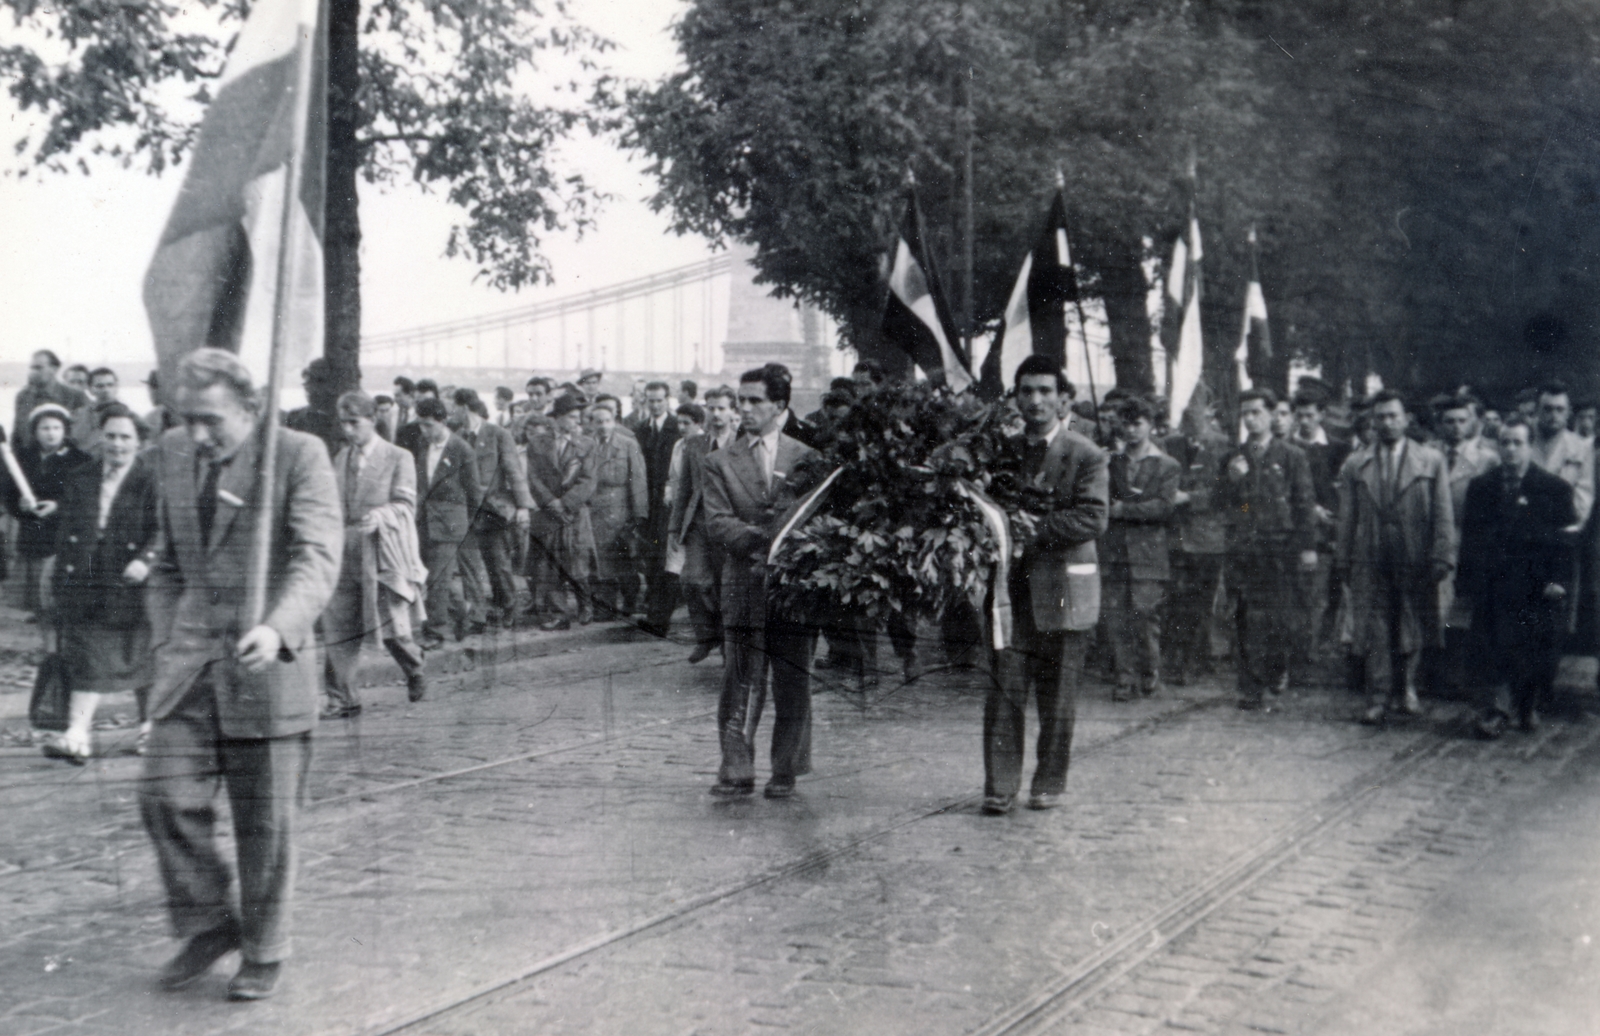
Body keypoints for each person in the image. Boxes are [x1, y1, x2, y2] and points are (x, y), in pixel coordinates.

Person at [138, 348, 341, 1001]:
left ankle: (263, 946)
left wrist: (279, 626)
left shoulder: (299, 454)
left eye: (211, 420)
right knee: (163, 795)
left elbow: (317, 557)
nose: (196, 435)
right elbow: (168, 564)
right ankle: (207, 923)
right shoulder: (169, 451)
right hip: (190, 667)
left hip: (268, 667)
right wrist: (171, 635)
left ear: (252, 408)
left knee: (266, 825)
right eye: (185, 418)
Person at [981, 355, 1108, 815]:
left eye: (1045, 391)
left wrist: (1028, 528)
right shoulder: (1000, 453)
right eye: (1026, 391)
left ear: (1063, 399)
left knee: (1057, 700)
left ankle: (1049, 782)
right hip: (1010, 591)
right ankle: (999, 785)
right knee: (1004, 692)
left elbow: (1093, 516)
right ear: (1015, 397)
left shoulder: (1086, 453)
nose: (1035, 400)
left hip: (1063, 591)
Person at [703, 363, 819, 799]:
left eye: (755, 401)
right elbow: (717, 522)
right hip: (743, 583)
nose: (744, 409)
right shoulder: (718, 462)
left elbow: (817, 519)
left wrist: (792, 550)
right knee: (740, 677)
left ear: (780, 406)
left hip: (793, 588)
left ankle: (786, 769)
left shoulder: (805, 458)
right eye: (741, 400)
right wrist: (766, 539)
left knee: (793, 677)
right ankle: (735, 768)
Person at [45, 404, 158, 763]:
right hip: (87, 582)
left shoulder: (152, 480)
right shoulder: (82, 476)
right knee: (87, 657)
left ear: (139, 442)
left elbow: (165, 531)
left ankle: (150, 731)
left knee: (145, 660)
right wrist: (58, 577)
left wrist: (145, 561)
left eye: (126, 437)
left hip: (134, 583)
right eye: (110, 436)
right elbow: (71, 530)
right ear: (100, 438)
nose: (117, 444)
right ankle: (76, 736)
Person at [1336, 390, 1454, 724]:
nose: (1387, 423)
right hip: (1371, 554)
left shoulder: (1430, 460)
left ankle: (1408, 688)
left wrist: (1442, 554)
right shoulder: (1356, 463)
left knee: (1411, 620)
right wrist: (1343, 557)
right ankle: (1377, 695)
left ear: (1406, 419)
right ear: (1372, 422)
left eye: (1393, 416)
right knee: (1375, 626)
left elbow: (1443, 512)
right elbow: (1347, 516)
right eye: (1381, 417)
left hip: (1414, 554)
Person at [1458, 417, 1575, 738]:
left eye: (1517, 443)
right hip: (1494, 583)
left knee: (1531, 647)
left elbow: (1566, 544)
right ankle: (1496, 710)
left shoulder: (1554, 488)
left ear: (1530, 446)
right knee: (1493, 646)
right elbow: (1470, 538)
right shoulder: (1482, 487)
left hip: (1535, 585)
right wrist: (1466, 584)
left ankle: (1526, 705)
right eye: (1504, 442)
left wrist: (1559, 580)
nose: (1510, 449)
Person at [321, 392, 428, 719]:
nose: (348, 430)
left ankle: (414, 667)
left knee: (389, 625)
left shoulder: (399, 457)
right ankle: (343, 698)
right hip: (344, 548)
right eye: (344, 423)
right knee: (338, 623)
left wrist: (380, 516)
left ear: (372, 420)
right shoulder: (341, 458)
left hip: (381, 550)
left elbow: (406, 504)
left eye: (355, 422)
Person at [1220, 388, 1318, 711]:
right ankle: (1250, 687)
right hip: (1245, 551)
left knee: (1279, 619)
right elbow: (1222, 504)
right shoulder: (1233, 458)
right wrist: (1234, 482)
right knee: (1245, 618)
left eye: (1257, 412)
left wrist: (1307, 548)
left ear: (1272, 414)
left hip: (1280, 550)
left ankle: (1276, 671)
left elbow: (1304, 504)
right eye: (1245, 413)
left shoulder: (1291, 456)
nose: (1250, 419)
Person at [1102, 396, 1179, 700]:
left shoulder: (1167, 464)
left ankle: (1149, 671)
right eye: (1126, 424)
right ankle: (1124, 678)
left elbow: (1164, 506)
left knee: (1146, 617)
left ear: (1149, 425)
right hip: (1116, 552)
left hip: (1149, 555)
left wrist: (1124, 510)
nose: (1132, 430)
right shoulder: (1110, 463)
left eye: (1138, 424)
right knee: (1116, 617)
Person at [1430, 394, 1499, 697]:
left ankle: (1462, 675)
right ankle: (1433, 674)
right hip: (1434, 541)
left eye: (1461, 421)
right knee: (1433, 606)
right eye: (1449, 421)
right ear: (1439, 425)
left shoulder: (1487, 459)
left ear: (1471, 422)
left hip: (1471, 541)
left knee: (1463, 609)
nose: (1456, 427)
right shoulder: (1427, 455)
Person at [452, 389, 532, 630]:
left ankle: (508, 607)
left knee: (497, 563)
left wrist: (523, 506)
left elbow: (514, 472)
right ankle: (478, 615)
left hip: (492, 511)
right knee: (469, 565)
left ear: (465, 408)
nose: (452, 413)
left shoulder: (498, 434)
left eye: (455, 408)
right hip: (465, 510)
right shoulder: (457, 436)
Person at [1163, 403, 1229, 685]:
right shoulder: (1170, 444)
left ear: (1210, 417)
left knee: (1201, 601)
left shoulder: (1223, 446)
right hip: (1175, 537)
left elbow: (1225, 491)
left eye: (1197, 417)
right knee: (1178, 600)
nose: (1191, 422)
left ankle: (1196, 660)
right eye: (1186, 416)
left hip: (1208, 538)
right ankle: (1180, 660)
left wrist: (1190, 498)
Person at [668, 387, 736, 663]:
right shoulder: (694, 445)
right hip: (698, 523)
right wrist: (674, 528)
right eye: (711, 408)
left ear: (734, 411)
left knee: (728, 585)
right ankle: (707, 636)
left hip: (731, 525)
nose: (715, 414)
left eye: (721, 408)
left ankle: (728, 643)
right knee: (693, 581)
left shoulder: (743, 443)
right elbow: (684, 489)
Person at [6, 404, 92, 618]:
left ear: (65, 430)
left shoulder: (80, 460)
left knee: (58, 591)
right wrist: (20, 506)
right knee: (36, 597)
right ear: (35, 432)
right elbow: (8, 492)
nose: (51, 433)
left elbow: (87, 498)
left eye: (56, 427)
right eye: (45, 428)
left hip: (64, 534)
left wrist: (58, 506)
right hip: (32, 533)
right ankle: (45, 639)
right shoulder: (23, 457)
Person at [412, 397, 482, 649]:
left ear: (442, 421)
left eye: (429, 425)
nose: (424, 431)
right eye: (420, 425)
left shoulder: (461, 448)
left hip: (450, 524)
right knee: (431, 575)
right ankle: (462, 610)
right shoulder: (423, 443)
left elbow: (474, 491)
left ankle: (436, 632)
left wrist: (468, 525)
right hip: (424, 520)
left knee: (438, 579)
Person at [524, 394, 597, 630]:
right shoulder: (537, 443)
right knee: (549, 564)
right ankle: (559, 614)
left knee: (577, 562)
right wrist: (551, 503)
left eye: (578, 417)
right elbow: (532, 478)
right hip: (547, 513)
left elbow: (588, 480)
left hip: (574, 512)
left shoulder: (586, 444)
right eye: (572, 417)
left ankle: (586, 604)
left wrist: (565, 503)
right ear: (557, 418)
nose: (577, 421)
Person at [1291, 391, 1351, 662]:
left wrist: (1333, 515)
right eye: (1300, 415)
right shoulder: (1287, 446)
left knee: (1327, 593)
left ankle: (1320, 647)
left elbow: (1344, 489)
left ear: (1322, 415)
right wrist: (1309, 509)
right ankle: (1302, 650)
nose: (1304, 421)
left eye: (1310, 415)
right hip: (1296, 528)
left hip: (1329, 530)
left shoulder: (1339, 449)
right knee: (1301, 593)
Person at [585, 399, 648, 619]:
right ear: (591, 423)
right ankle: (605, 606)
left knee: (623, 559)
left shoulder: (627, 444)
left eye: (607, 421)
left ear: (614, 422)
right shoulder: (586, 445)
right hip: (593, 511)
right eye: (598, 421)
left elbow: (638, 480)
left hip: (620, 510)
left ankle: (631, 600)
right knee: (598, 561)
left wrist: (639, 515)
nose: (603, 425)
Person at [635, 381, 682, 636]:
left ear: (668, 400)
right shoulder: (640, 429)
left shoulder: (677, 427)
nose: (654, 405)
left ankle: (660, 618)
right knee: (651, 558)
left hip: (669, 503)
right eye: (650, 401)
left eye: (659, 401)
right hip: (648, 505)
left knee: (667, 560)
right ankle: (655, 613)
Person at [13, 349, 90, 444]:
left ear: (54, 369)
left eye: (38, 368)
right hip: (28, 456)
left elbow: (84, 434)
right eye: (31, 368)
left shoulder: (75, 396)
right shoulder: (23, 396)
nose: (33, 372)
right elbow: (18, 434)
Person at [284, 358, 343, 457]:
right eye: (307, 385)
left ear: (330, 387)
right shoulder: (294, 417)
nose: (310, 390)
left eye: (317, 384)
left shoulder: (342, 420)